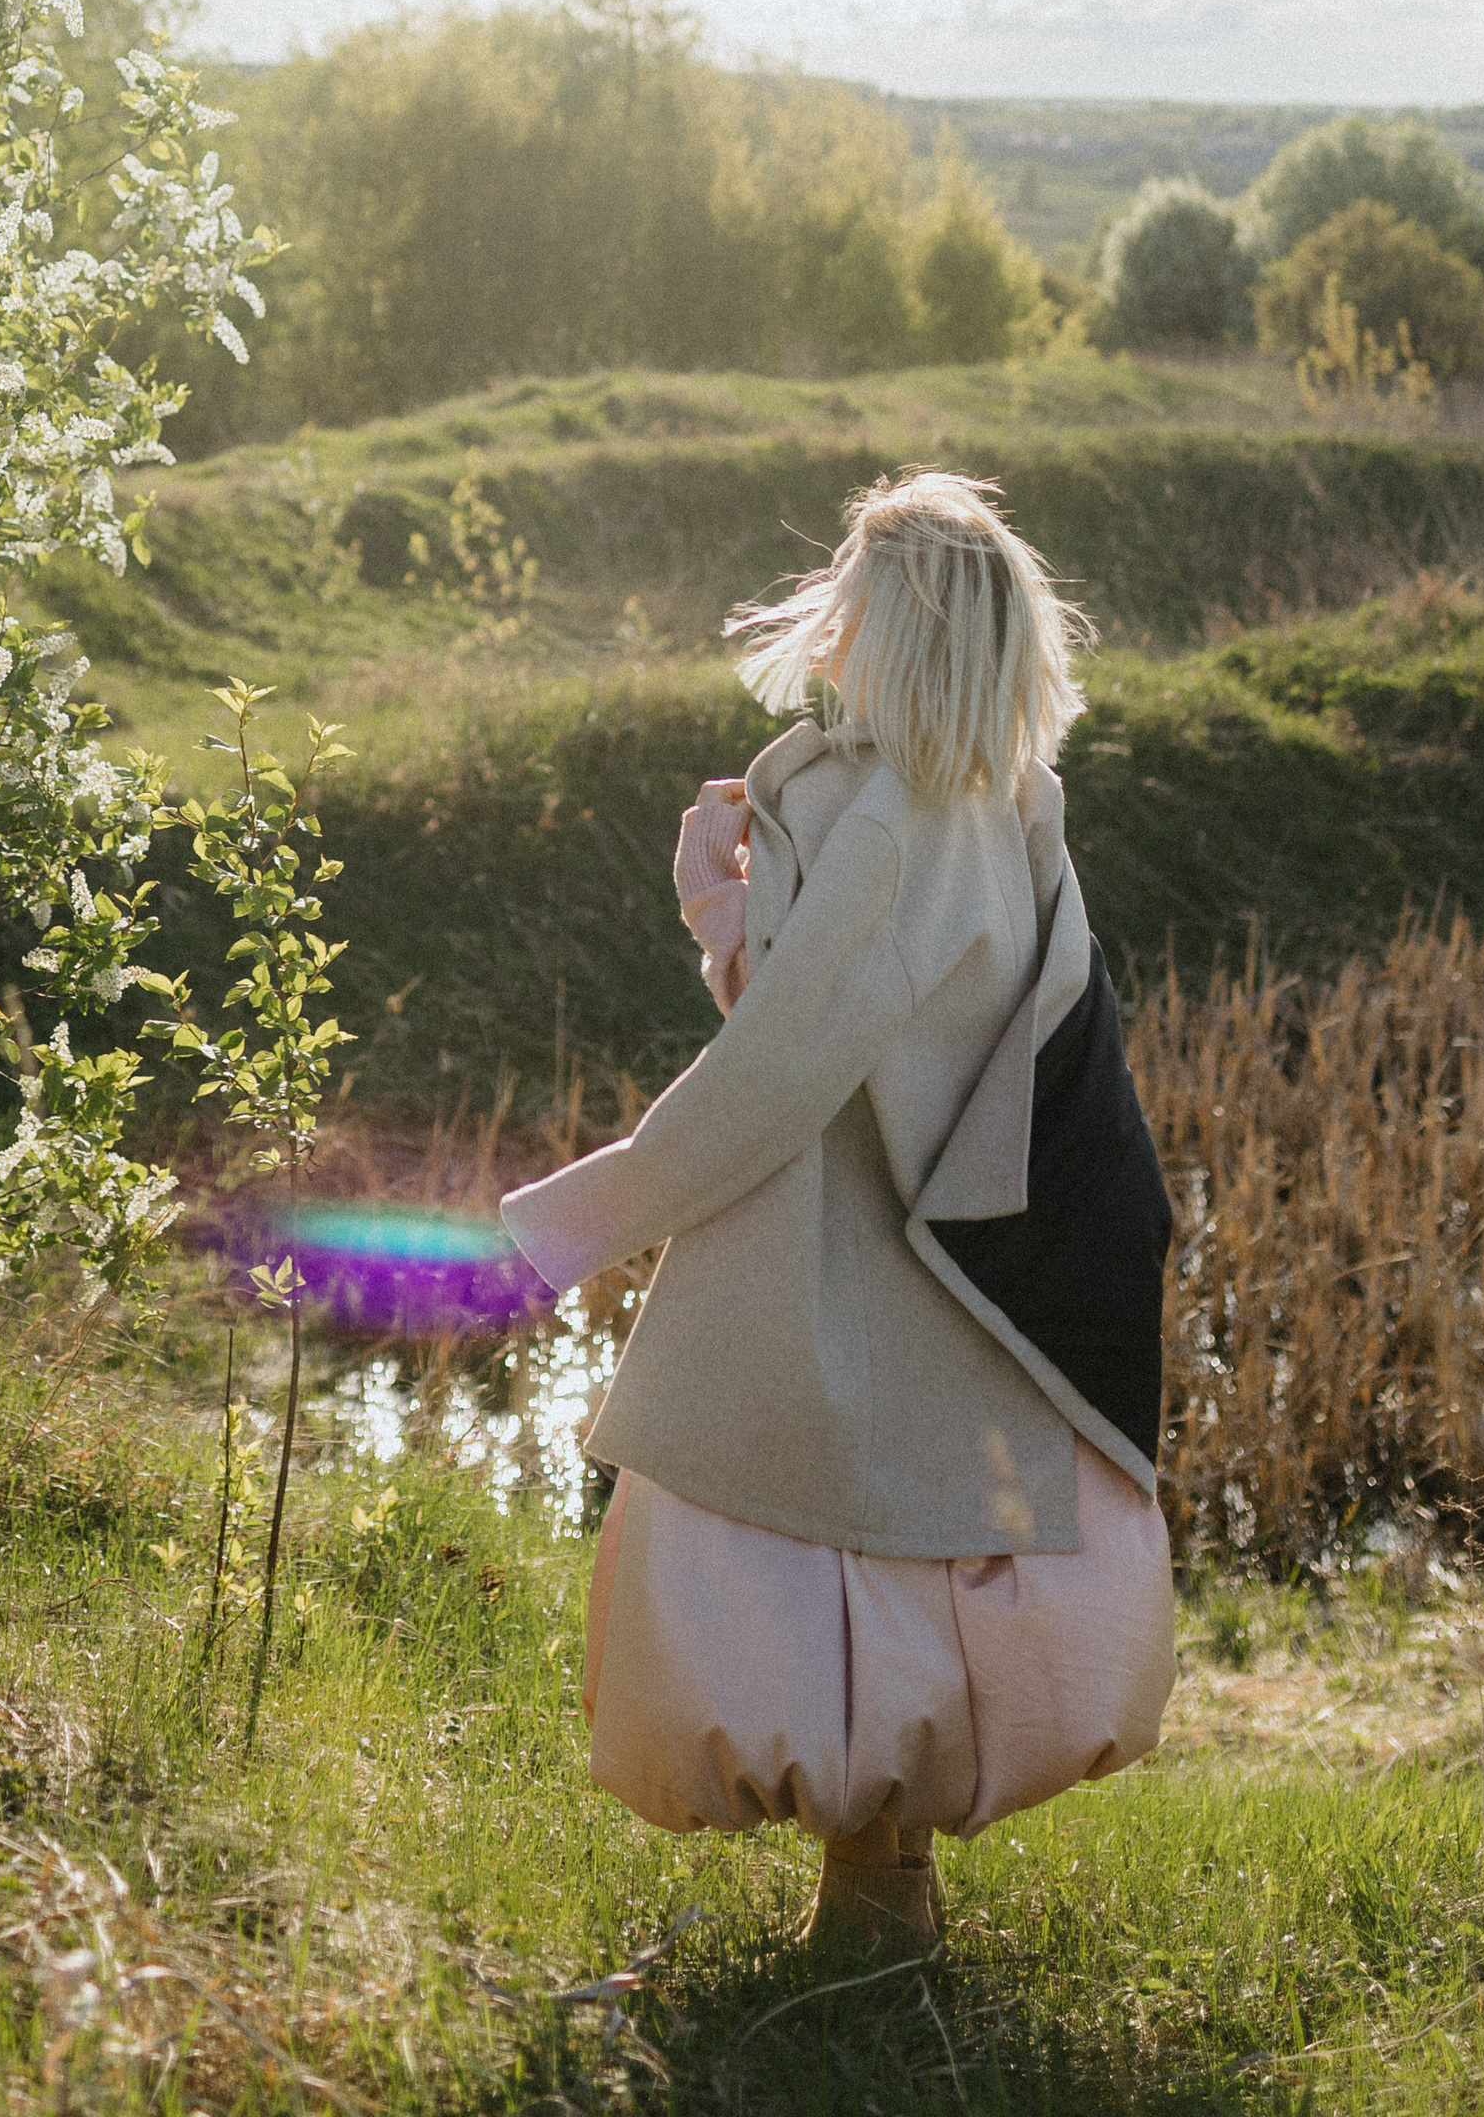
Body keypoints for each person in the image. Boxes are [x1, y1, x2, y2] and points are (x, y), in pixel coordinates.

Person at [499, 471, 1177, 1947]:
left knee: (829, 1558)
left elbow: (778, 1073)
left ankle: (871, 1936)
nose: (831, 630)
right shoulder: (1008, 805)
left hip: (850, 1260)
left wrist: (559, 1233)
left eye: (853, 606)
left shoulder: (888, 820)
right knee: (906, 1563)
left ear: (892, 631)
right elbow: (863, 1029)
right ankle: (882, 1917)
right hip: (956, 1265)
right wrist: (732, 919)